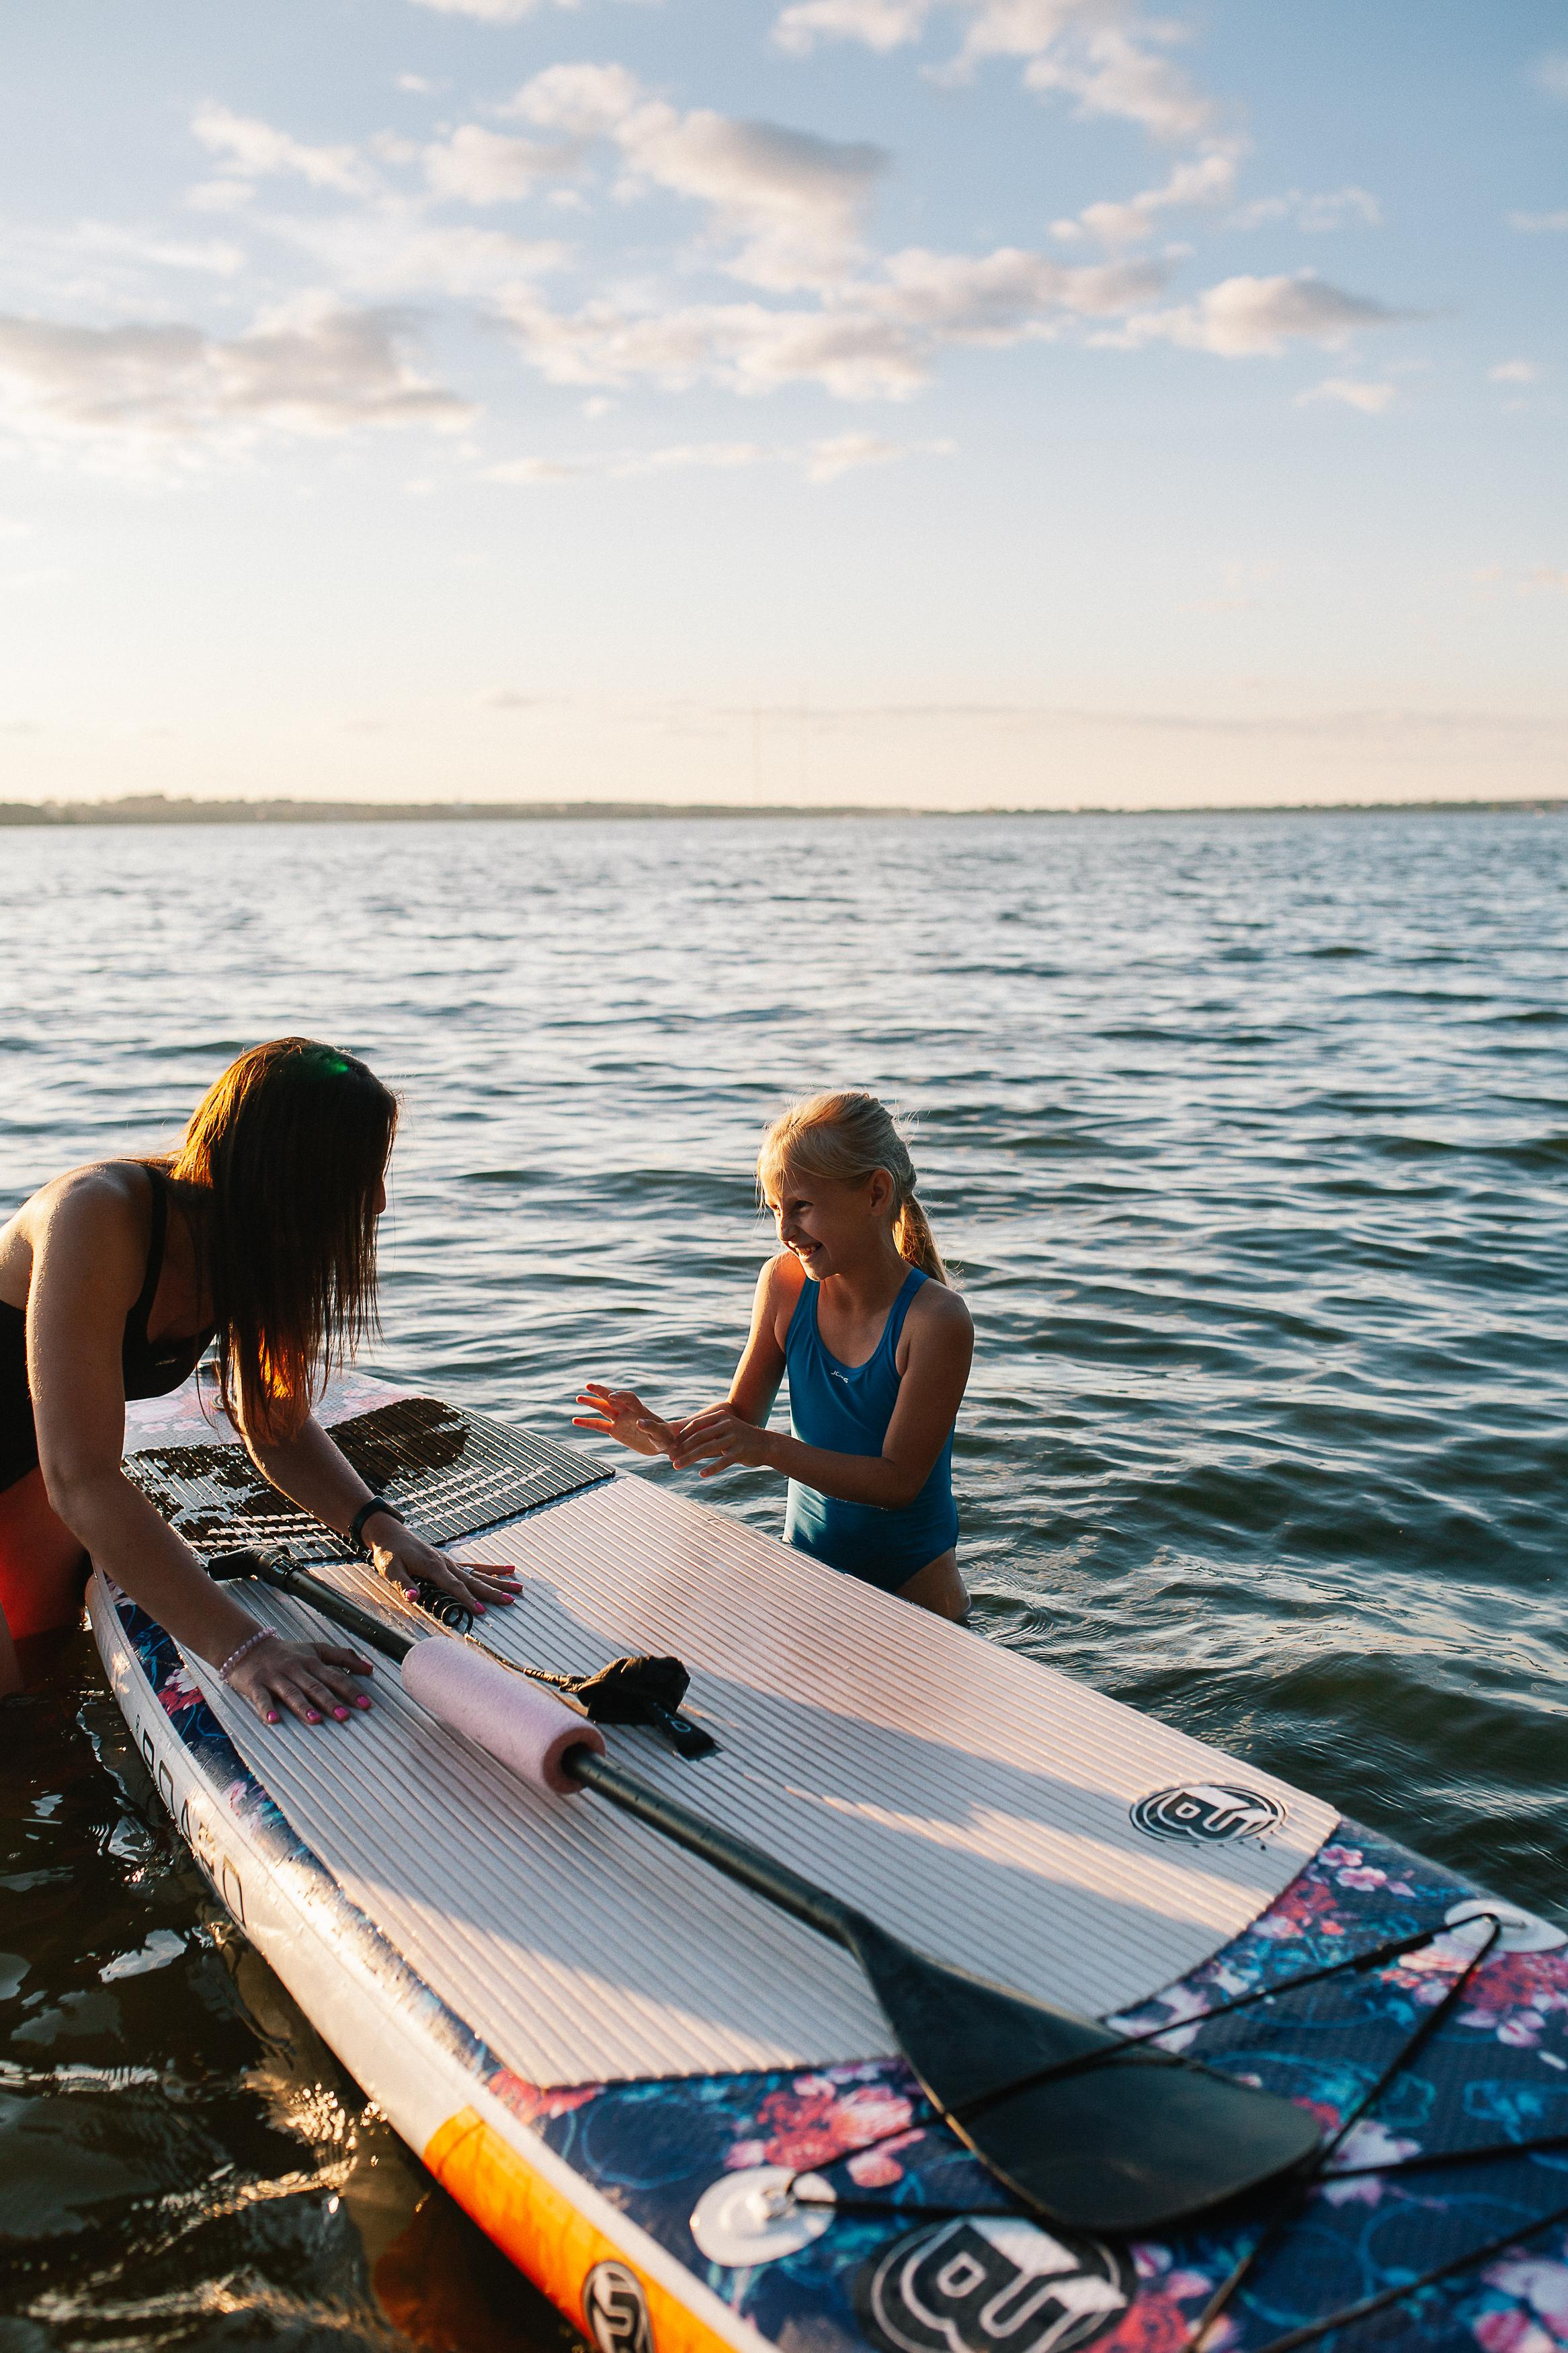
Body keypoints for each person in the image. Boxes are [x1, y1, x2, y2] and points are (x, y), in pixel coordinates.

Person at [0, 1037, 516, 1718]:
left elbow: (273, 1422)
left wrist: (380, 1530)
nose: (380, 1201)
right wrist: (244, 1648)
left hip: (27, 1456)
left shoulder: (257, 1246)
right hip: (55, 1463)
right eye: (360, 1173)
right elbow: (84, 1476)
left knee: (44, 1688)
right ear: (285, 1173)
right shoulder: (99, 1215)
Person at [575, 1092, 973, 1619]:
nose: (786, 1233)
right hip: (808, 1574)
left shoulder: (936, 1320)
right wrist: (668, 1435)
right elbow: (743, 1417)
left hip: (917, 1596)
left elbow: (896, 1482)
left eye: (802, 1208)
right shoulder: (784, 1284)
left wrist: (766, 1449)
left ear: (876, 1193)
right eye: (778, 1210)